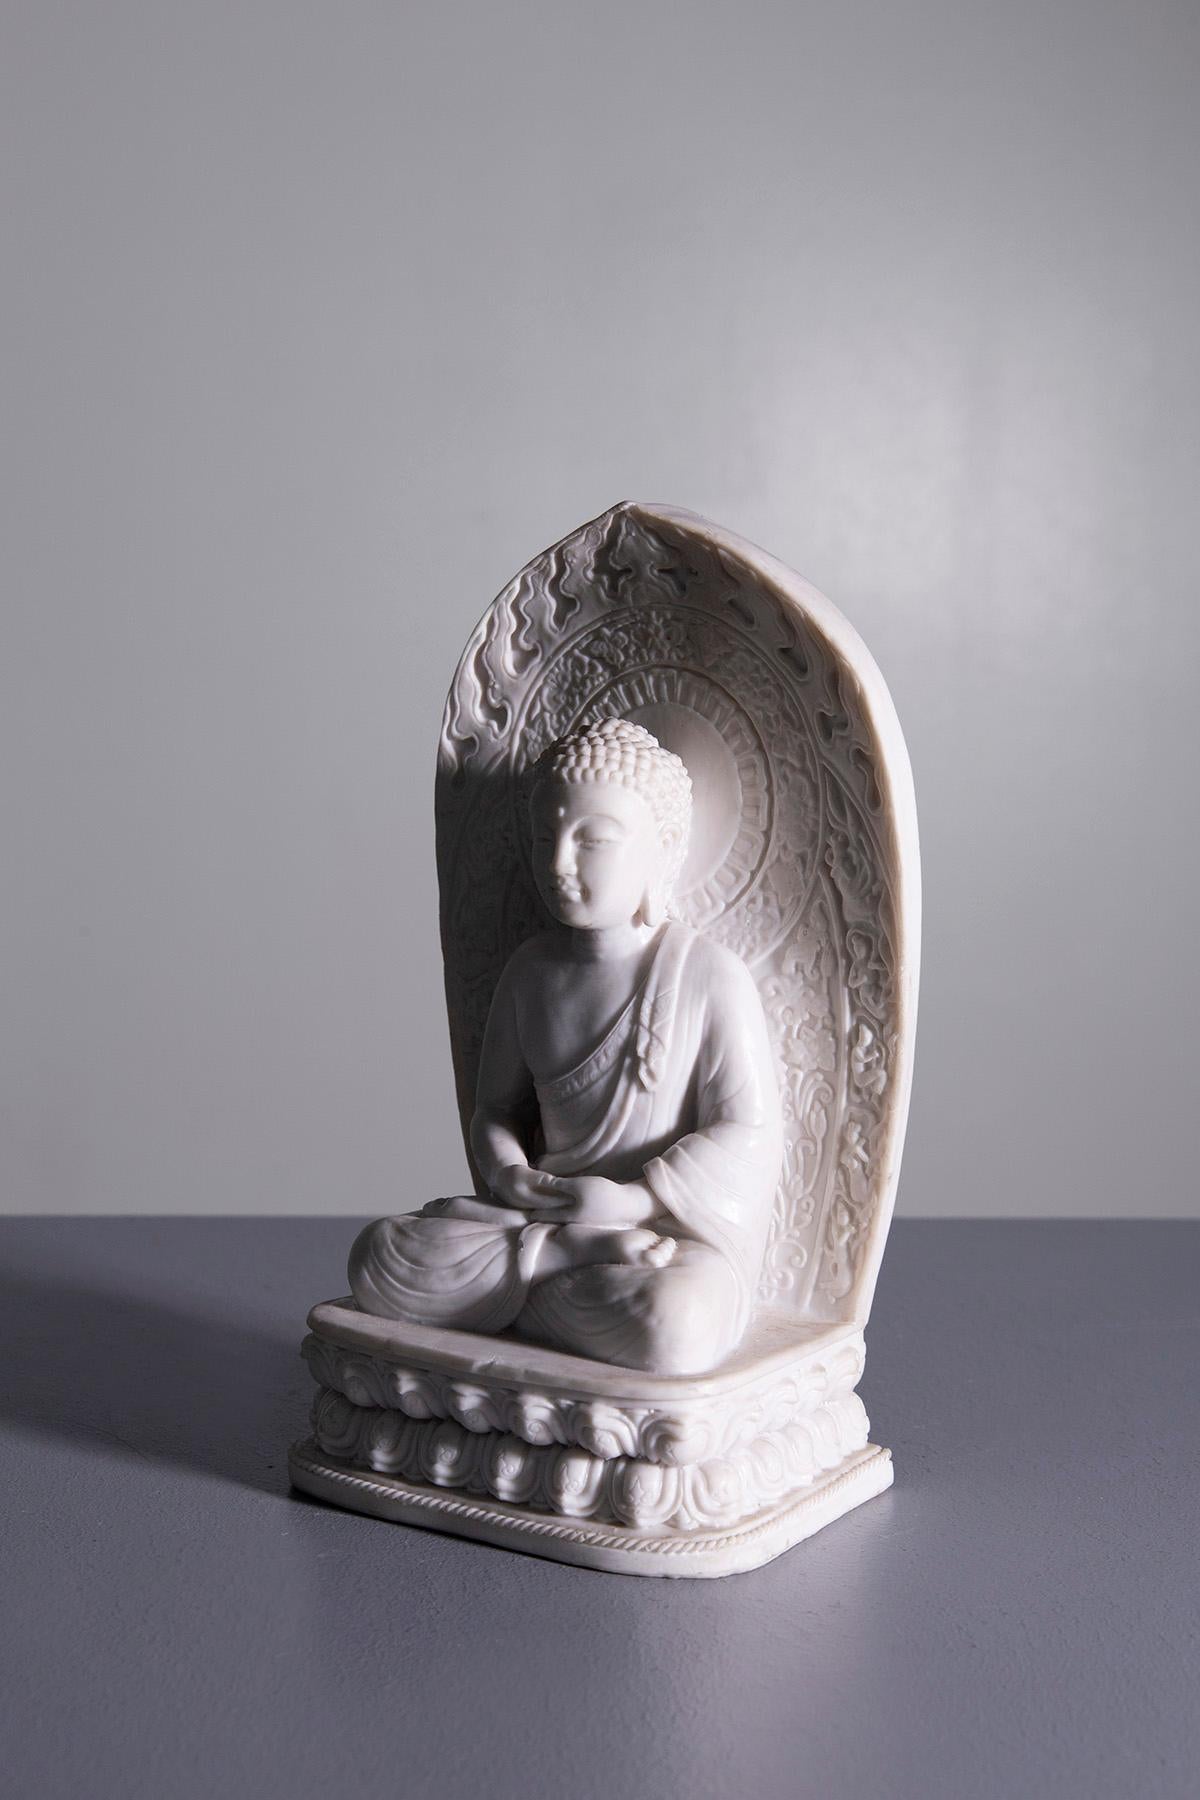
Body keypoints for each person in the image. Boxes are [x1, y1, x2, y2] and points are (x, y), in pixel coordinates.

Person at [348, 718, 782, 1375]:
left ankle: (527, 1288)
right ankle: (562, 1258)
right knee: (379, 1254)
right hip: (542, 1219)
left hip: (659, 1237)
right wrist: (511, 1175)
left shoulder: (707, 975)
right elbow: (496, 1112)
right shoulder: (530, 972)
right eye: (544, 839)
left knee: (675, 1324)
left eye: (592, 841)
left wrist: (633, 1202)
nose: (558, 865)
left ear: (663, 848)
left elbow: (749, 1132)